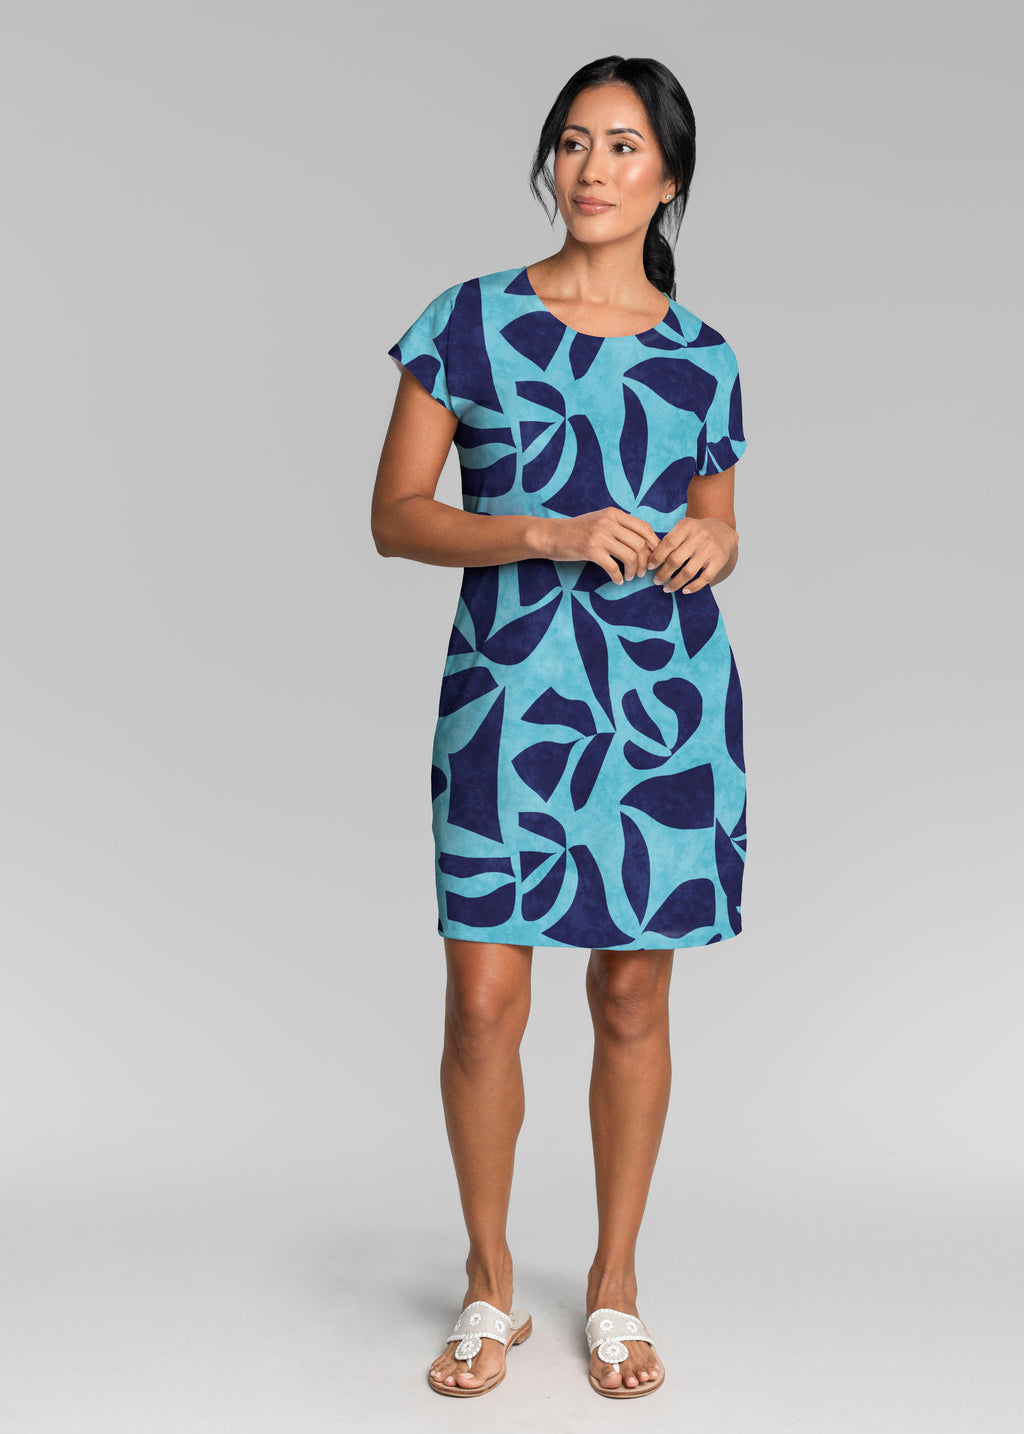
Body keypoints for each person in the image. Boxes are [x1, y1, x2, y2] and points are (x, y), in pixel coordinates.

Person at [371, 54, 749, 1400]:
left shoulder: (703, 356)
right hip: (509, 694)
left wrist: (713, 541)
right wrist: (546, 532)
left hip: (662, 704)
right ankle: (489, 1280)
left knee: (632, 994)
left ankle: (614, 1282)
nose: (593, 168)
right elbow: (397, 516)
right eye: (575, 142)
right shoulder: (467, 320)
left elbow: (720, 520)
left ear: (669, 177)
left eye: (624, 146)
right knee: (484, 1002)